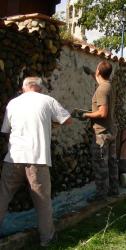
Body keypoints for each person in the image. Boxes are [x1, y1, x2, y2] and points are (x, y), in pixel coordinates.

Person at [0, 77, 72, 247]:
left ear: (24, 87)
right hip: (37, 159)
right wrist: (51, 124)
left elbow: (5, 130)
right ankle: (47, 239)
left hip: (13, 158)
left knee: (2, 197)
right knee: (43, 201)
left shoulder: (12, 103)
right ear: (39, 88)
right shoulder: (48, 100)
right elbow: (68, 120)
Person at [83, 61, 119, 202]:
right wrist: (92, 72)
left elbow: (102, 113)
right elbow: (101, 80)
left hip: (102, 133)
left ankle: (101, 195)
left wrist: (86, 115)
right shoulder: (109, 86)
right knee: (112, 163)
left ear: (99, 71)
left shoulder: (101, 90)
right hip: (111, 130)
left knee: (100, 165)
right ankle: (114, 191)